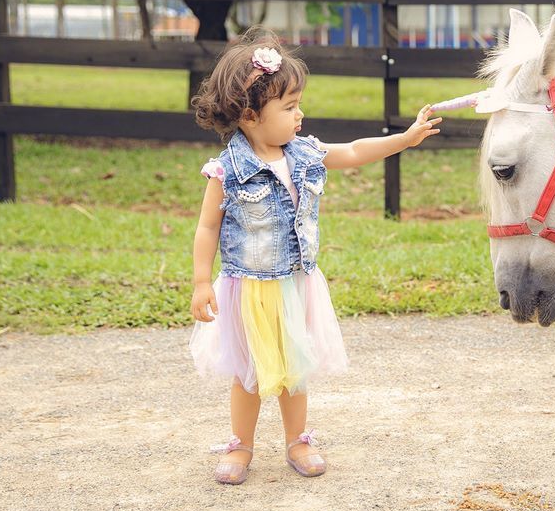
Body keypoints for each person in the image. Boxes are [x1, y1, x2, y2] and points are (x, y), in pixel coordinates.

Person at [188, 27, 441, 485]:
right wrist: (202, 282)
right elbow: (207, 228)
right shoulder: (228, 170)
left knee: (294, 367)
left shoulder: (304, 153)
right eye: (289, 107)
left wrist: (403, 140)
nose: (299, 114)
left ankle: (297, 439)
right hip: (248, 288)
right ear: (249, 114)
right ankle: (240, 444)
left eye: (299, 104)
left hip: (295, 283)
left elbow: (354, 151)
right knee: (248, 372)